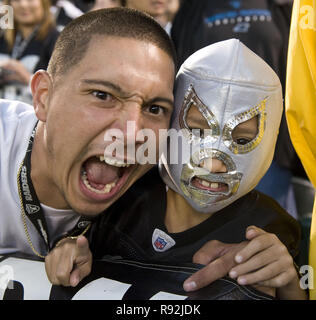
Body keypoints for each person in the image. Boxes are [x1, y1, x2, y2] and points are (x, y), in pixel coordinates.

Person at [46, 39, 306, 299]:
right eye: (196, 129)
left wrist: (288, 283)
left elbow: (289, 287)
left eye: (241, 140)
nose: (212, 164)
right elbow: (76, 247)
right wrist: (67, 250)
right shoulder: (124, 194)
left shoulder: (271, 227)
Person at [0, 8, 176, 258]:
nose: (132, 132)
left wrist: (243, 258)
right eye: (103, 96)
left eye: (155, 108)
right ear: (43, 97)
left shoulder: (165, 196)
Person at [170, 0, 305, 218]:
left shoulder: (281, 5)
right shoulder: (193, 7)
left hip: (265, 140)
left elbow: (298, 64)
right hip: (197, 137)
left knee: (263, 225)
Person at [0, 0, 59, 104]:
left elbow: (63, 89)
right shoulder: (2, 37)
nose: (23, 4)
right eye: (17, 0)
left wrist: (28, 78)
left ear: (43, 3)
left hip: (35, 115)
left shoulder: (57, 40)